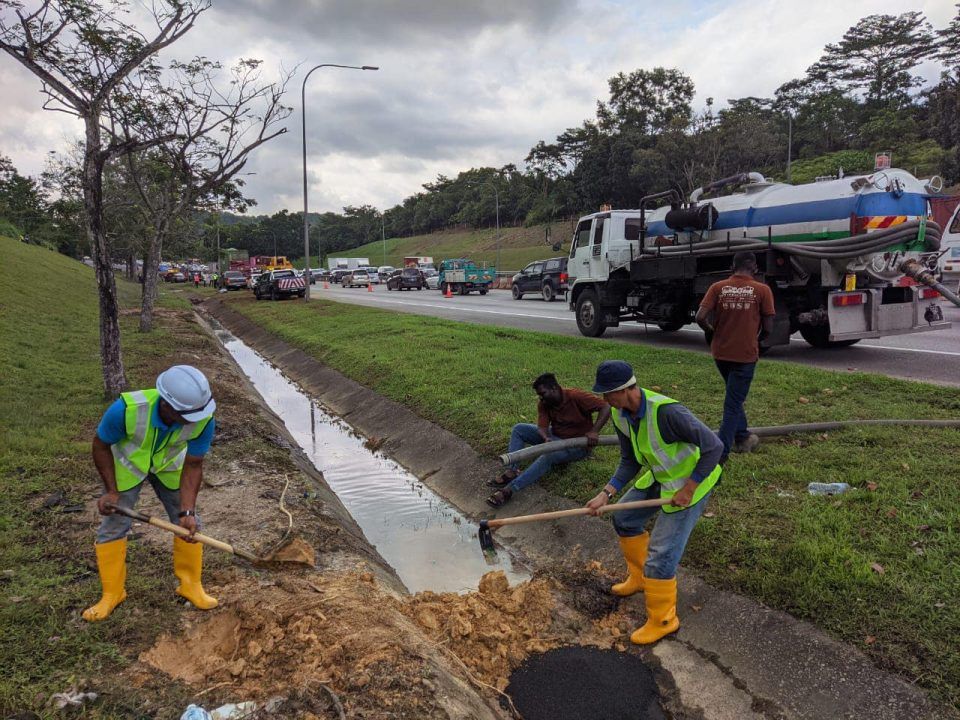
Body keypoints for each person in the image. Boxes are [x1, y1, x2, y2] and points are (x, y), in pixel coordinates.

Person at [586, 360, 722, 645]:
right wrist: (605, 493)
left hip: (692, 484)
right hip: (663, 476)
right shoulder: (620, 414)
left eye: (609, 394)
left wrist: (689, 488)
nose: (605, 400)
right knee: (624, 519)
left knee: (661, 555)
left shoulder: (668, 412)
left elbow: (714, 446)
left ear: (626, 389)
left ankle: (664, 621)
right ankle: (640, 578)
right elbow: (629, 460)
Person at [83, 365, 218, 622]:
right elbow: (100, 445)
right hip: (128, 466)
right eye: (188, 415)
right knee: (113, 527)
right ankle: (112, 593)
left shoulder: (203, 418)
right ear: (167, 405)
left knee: (189, 525)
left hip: (168, 466)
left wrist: (187, 511)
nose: (196, 419)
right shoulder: (126, 410)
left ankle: (190, 585)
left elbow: (194, 464)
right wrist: (111, 491)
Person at [487, 373, 610, 508]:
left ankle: (509, 489)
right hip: (555, 436)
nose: (541, 398)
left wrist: (594, 431)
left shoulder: (575, 396)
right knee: (519, 429)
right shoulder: (544, 403)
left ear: (554, 388)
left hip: (578, 445)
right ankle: (512, 471)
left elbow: (605, 406)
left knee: (548, 455)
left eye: (543, 393)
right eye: (539, 395)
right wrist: (546, 437)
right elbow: (542, 427)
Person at [695, 251, 775, 460]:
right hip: (745, 355)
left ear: (732, 266)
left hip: (721, 353)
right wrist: (757, 341)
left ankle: (743, 437)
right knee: (732, 403)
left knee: (734, 396)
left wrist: (711, 331)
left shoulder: (717, 287)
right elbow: (768, 327)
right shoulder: (763, 290)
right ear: (754, 268)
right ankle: (720, 453)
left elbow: (700, 317)